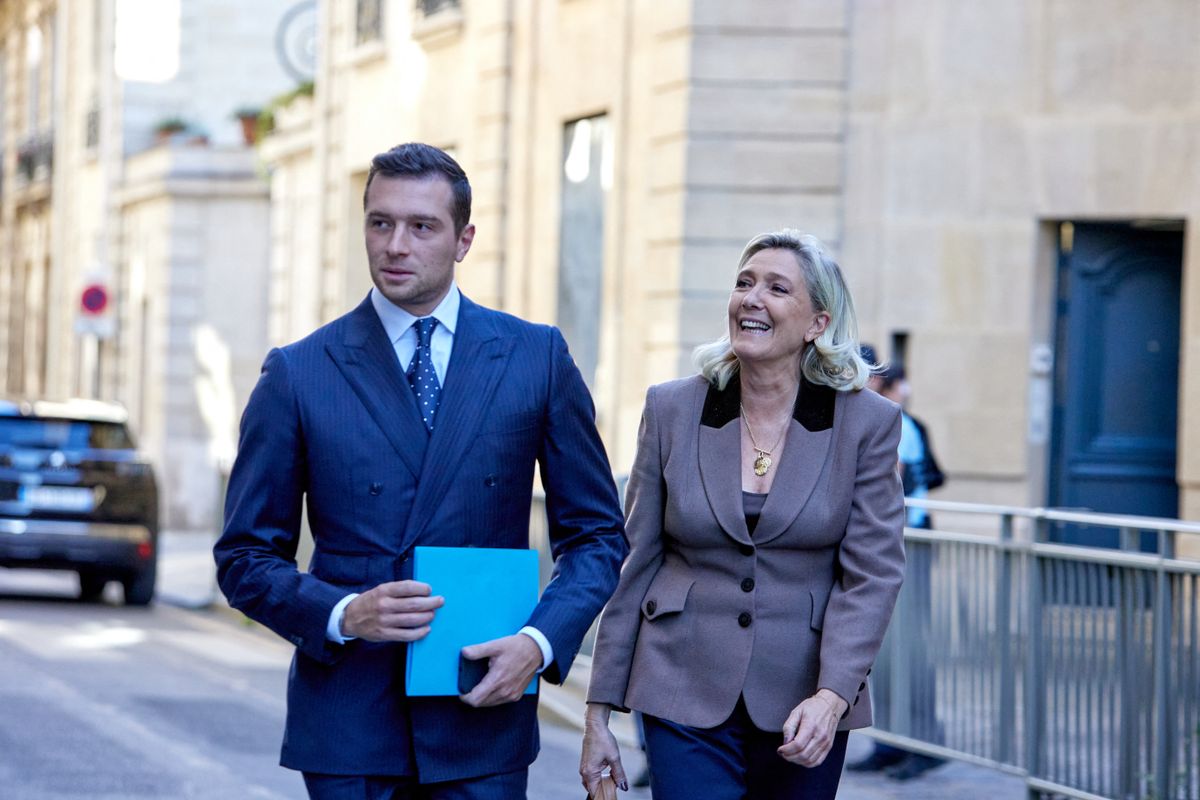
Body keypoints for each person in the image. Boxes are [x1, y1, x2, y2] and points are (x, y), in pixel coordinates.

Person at [214, 142, 627, 799]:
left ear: (464, 240)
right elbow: (243, 557)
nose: (395, 245)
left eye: (421, 227)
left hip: (480, 715)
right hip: (351, 726)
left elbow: (598, 538)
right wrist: (343, 612)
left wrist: (539, 643)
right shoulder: (299, 372)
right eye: (380, 223)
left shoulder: (535, 357)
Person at [579, 230, 906, 799]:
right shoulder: (673, 407)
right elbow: (636, 560)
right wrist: (598, 710)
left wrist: (833, 696)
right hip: (679, 682)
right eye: (743, 283)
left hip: (805, 699)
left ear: (817, 324)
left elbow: (872, 576)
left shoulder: (866, 423)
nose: (752, 298)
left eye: (777, 288)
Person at [846, 361, 946, 780]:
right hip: (885, 549)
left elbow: (892, 482)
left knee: (911, 652)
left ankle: (925, 743)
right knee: (884, 653)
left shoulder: (893, 422)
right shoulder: (872, 417)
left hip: (905, 548)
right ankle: (891, 743)